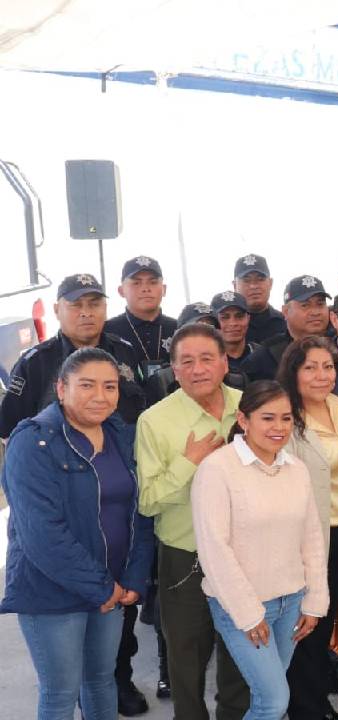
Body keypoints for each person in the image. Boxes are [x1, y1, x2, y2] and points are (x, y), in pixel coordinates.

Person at [0, 348, 155, 720]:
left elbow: (140, 513)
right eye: (86, 385)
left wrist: (133, 578)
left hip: (112, 588)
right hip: (53, 592)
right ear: (61, 388)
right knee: (60, 693)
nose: (100, 396)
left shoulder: (122, 435)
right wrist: (104, 588)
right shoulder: (33, 442)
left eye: (110, 386)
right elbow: (42, 535)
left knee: (101, 681)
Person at [191, 380, 327, 720]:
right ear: (243, 419)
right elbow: (214, 550)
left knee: (268, 696)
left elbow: (311, 537)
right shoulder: (217, 469)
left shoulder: (296, 469)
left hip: (293, 601)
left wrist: (315, 600)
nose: (279, 428)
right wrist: (249, 613)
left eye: (286, 418)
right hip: (243, 606)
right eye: (267, 418)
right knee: (274, 701)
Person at [135, 322, 250, 719]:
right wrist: (190, 462)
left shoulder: (250, 406)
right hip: (186, 555)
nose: (198, 369)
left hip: (245, 552)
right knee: (185, 655)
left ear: (224, 362)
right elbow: (148, 502)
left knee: (242, 647)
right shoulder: (154, 420)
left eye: (207, 359)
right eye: (187, 361)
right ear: (174, 370)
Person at [276, 336, 338, 720]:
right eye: (310, 367)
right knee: (305, 625)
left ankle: (318, 703)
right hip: (307, 539)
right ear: (293, 372)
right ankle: (305, 710)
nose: (321, 375)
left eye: (327, 366)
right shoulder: (285, 422)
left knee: (324, 621)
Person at [0, 274, 146, 438]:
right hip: (59, 461)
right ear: (56, 310)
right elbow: (9, 430)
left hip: (125, 458)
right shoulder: (34, 363)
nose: (86, 313)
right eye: (76, 305)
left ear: (105, 308)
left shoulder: (124, 351)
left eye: (94, 304)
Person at [242, 275, 332, 382]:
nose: (315, 312)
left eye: (320, 304)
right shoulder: (267, 356)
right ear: (285, 311)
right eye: (305, 305)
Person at [105, 255, 178, 375]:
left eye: (153, 282)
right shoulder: (107, 332)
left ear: (164, 289)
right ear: (121, 290)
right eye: (136, 283)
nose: (145, 289)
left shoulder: (180, 329)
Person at [233, 254, 288, 345]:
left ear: (270, 283)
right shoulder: (226, 328)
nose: (254, 286)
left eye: (260, 279)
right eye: (246, 280)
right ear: (235, 286)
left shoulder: (286, 323)